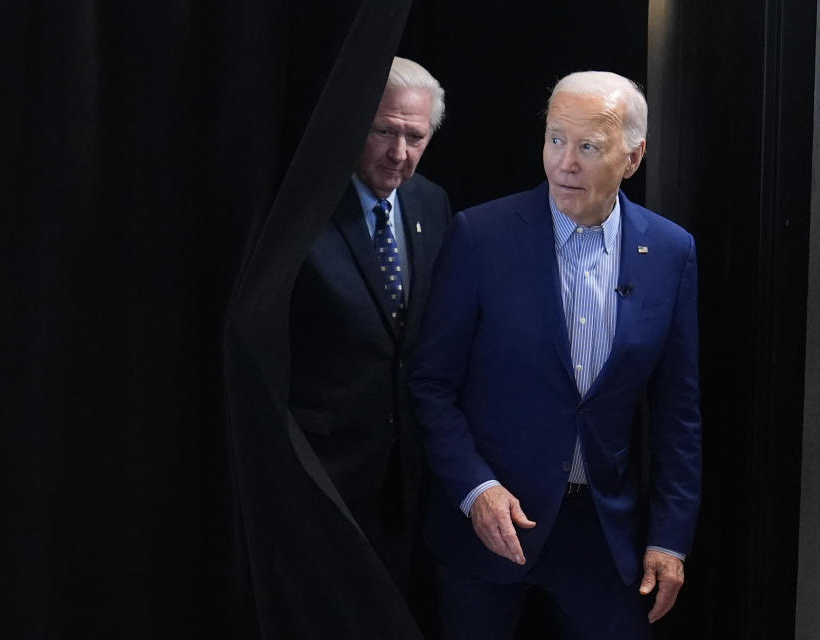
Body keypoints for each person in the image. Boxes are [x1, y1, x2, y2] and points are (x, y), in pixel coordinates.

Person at [408, 71, 701, 639]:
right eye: (556, 139)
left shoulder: (670, 251)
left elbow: (678, 412)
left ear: (633, 158)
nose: (565, 163)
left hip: (603, 530)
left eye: (589, 147)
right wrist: (476, 489)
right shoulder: (480, 235)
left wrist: (669, 537)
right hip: (488, 523)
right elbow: (431, 384)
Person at [288, 57, 451, 595]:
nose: (399, 154)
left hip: (403, 475)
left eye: (415, 136)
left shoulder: (432, 202)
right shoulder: (302, 205)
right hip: (318, 473)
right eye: (384, 131)